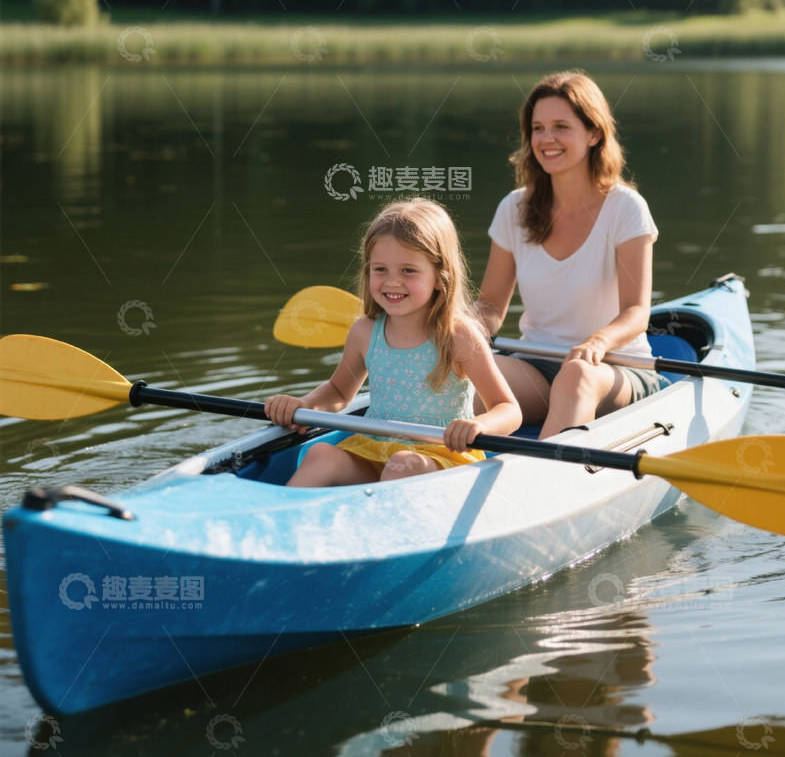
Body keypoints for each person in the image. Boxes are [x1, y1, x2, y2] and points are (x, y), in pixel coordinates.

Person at [265, 197, 522, 486]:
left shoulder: (459, 335)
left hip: (441, 457)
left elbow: (508, 409)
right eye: (381, 269)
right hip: (374, 450)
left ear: (440, 276)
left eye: (408, 270)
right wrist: (305, 404)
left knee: (402, 465)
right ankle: (282, 527)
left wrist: (478, 425)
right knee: (320, 454)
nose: (392, 282)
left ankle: (377, 525)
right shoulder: (365, 332)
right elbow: (338, 391)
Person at [477, 70, 663, 440]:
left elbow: (636, 313)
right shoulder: (513, 209)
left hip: (614, 369)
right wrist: (458, 332)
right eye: (538, 128)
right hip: (537, 366)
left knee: (576, 375)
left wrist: (596, 342)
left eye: (561, 126)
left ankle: (541, 482)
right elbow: (490, 309)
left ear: (594, 134)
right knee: (465, 377)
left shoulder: (626, 208)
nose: (546, 139)